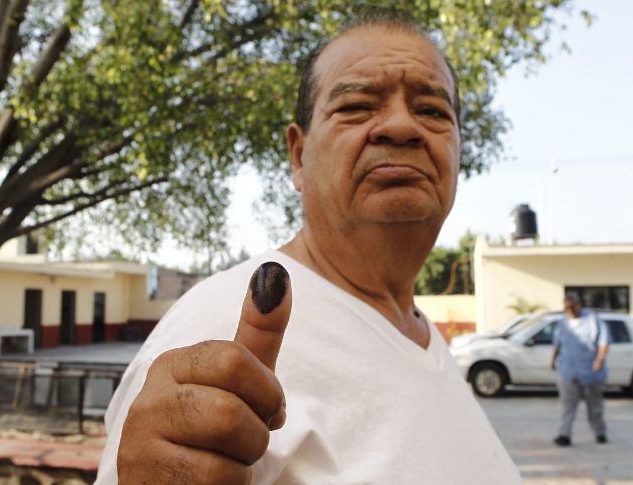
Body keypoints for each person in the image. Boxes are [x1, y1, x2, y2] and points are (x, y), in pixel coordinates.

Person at [97, 9, 523, 484]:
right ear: (299, 155)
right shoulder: (221, 326)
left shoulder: (425, 340)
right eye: (358, 106)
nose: (402, 126)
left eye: (432, 110)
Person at [551, 295, 610, 447]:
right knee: (567, 406)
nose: (570, 311)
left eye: (573, 307)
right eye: (567, 308)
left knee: (595, 406)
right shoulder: (563, 322)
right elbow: (558, 344)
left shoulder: (593, 319)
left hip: (591, 371)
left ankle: (600, 433)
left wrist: (600, 359)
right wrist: (553, 360)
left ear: (579, 305)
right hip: (569, 371)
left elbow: (604, 342)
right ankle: (564, 435)